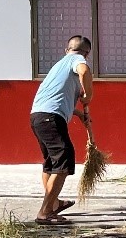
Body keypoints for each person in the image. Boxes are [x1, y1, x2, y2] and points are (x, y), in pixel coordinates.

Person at [29, 35, 93, 225]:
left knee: (51, 163)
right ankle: (45, 212)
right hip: (50, 118)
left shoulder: (59, 66)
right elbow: (84, 70)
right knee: (64, 160)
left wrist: (78, 114)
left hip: (38, 117)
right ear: (86, 53)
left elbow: (55, 98)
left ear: (67, 49)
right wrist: (89, 94)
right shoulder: (77, 60)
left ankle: (54, 203)